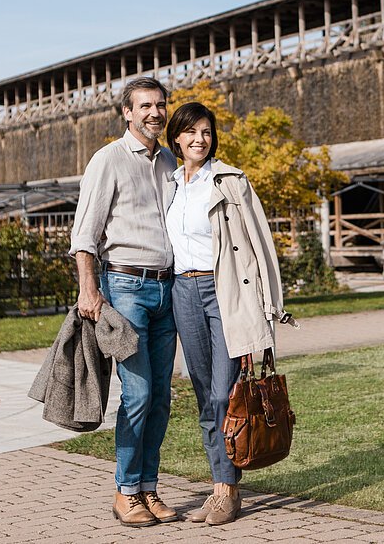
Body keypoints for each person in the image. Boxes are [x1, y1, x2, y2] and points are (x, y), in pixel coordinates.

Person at [164, 102, 286, 526]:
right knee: (203, 396)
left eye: (206, 131)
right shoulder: (170, 183)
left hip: (225, 290)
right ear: (176, 137)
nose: (200, 139)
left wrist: (270, 305)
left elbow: (260, 243)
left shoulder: (231, 181)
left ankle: (228, 492)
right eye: (191, 131)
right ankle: (220, 488)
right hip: (183, 289)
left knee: (224, 394)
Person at [69, 76, 179, 528]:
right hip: (126, 288)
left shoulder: (171, 160)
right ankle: (125, 491)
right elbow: (85, 234)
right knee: (138, 393)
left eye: (160, 104)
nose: (155, 112)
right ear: (127, 113)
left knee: (162, 398)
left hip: (168, 290)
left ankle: (149, 489)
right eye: (145, 106)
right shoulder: (107, 160)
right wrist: (88, 289)